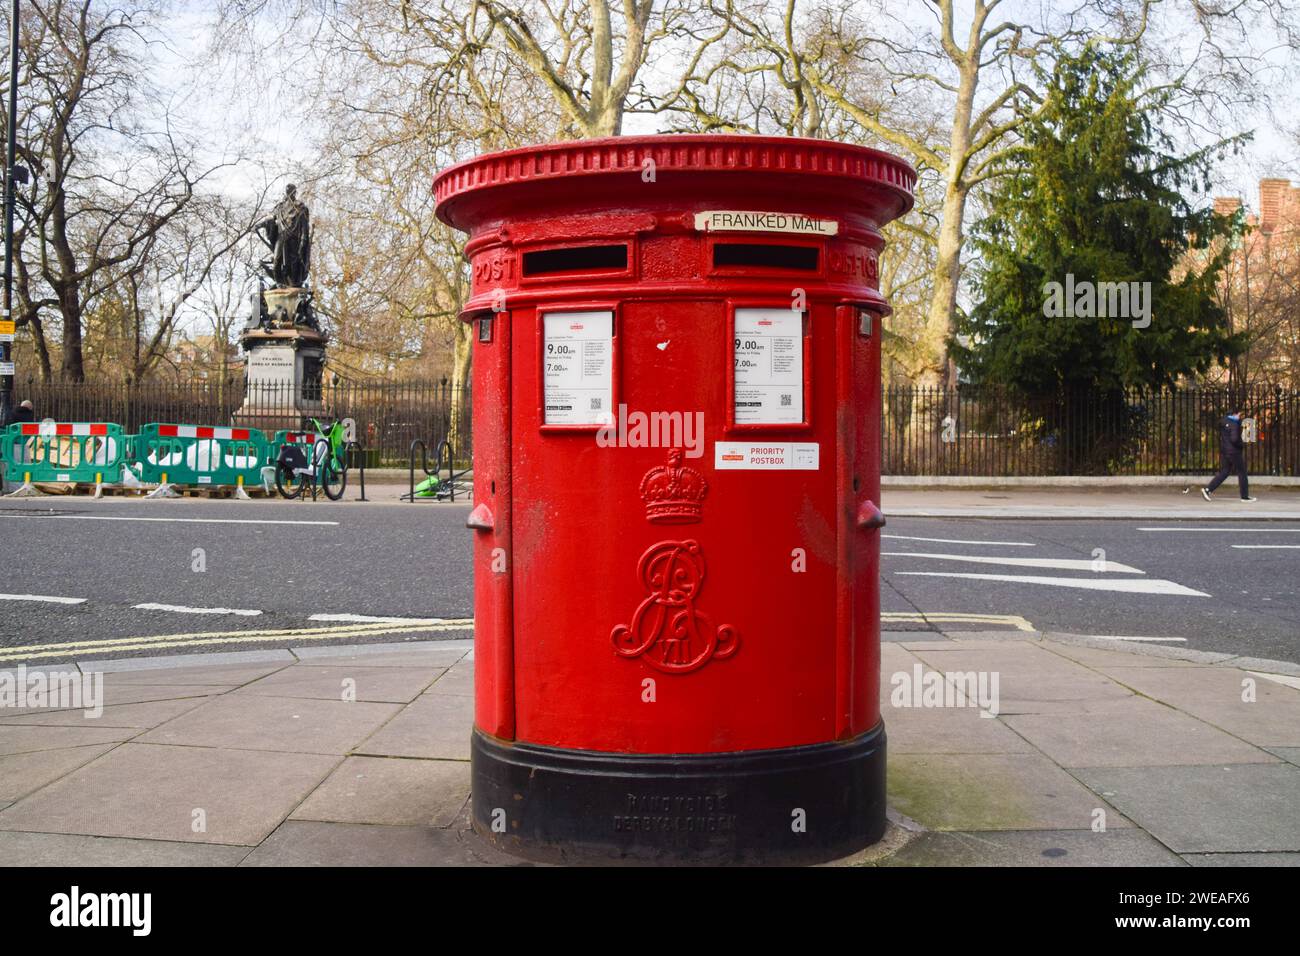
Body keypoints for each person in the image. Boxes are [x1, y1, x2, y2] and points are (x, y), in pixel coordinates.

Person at [1201, 408, 1256, 502]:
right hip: (1234, 452)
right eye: (1239, 415)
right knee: (1242, 472)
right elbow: (1234, 439)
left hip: (1225, 451)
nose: (1239, 417)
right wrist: (1241, 444)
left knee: (1225, 471)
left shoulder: (1224, 422)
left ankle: (1208, 490)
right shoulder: (1234, 424)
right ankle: (1244, 496)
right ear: (1234, 414)